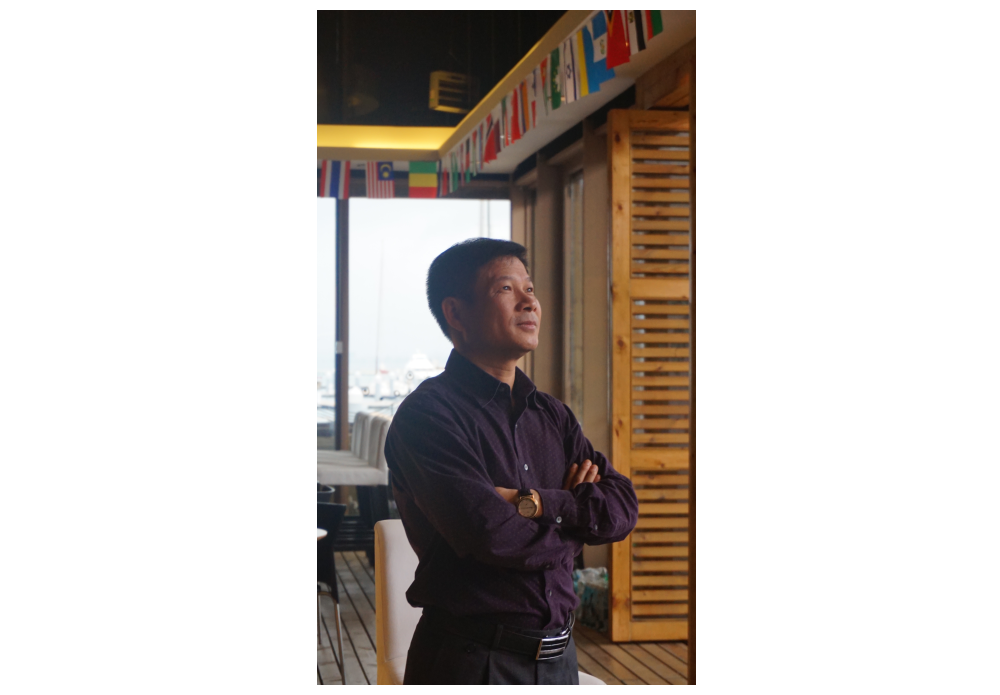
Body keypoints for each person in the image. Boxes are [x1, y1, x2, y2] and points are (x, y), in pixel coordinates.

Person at [385, 238, 638, 685]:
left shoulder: (552, 414)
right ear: (455, 313)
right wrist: (579, 524)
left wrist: (538, 503)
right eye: (506, 288)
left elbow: (622, 507)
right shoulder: (428, 417)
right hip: (471, 660)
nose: (530, 302)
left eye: (530, 288)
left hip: (560, 659)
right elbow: (493, 536)